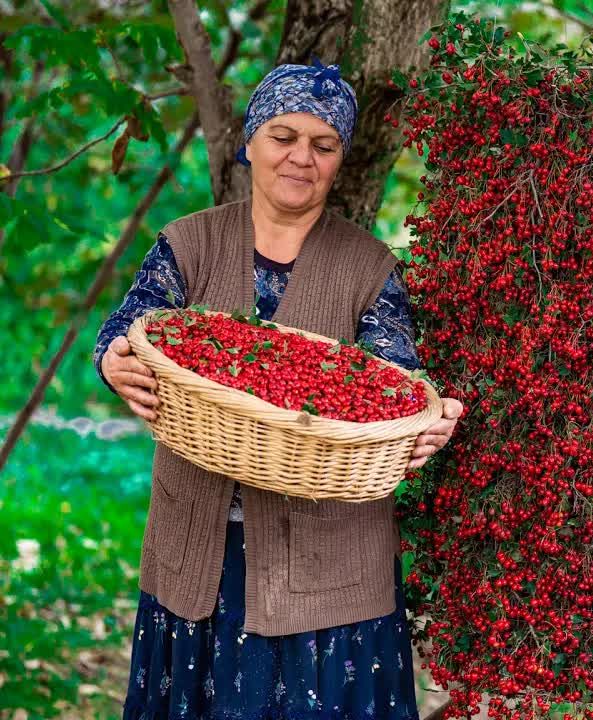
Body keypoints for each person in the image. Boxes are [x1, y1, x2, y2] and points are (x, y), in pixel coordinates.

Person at [94, 62, 463, 719]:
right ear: (251, 142)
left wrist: (428, 421)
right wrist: (113, 361)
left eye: (323, 146)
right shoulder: (189, 244)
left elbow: (398, 379)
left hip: (330, 577)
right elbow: (128, 330)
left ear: (342, 160)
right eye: (283, 136)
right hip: (199, 561)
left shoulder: (369, 268)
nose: (301, 157)